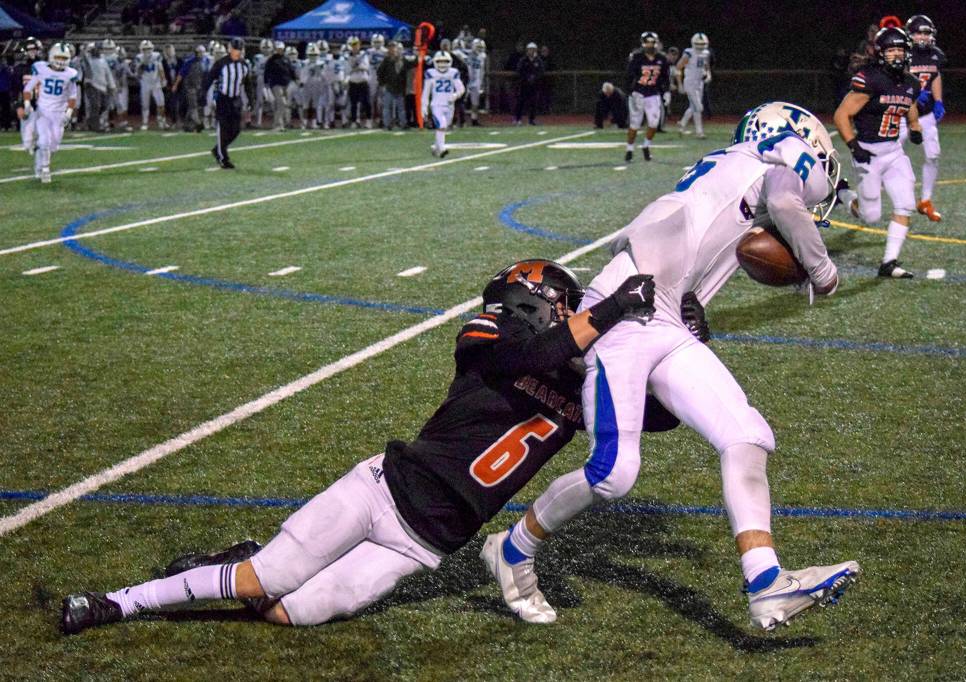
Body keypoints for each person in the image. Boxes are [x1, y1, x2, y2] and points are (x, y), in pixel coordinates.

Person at [60, 260, 664, 634]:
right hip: (385, 491)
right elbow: (526, 356)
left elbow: (649, 418)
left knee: (287, 613)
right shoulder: (491, 336)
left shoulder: (575, 380)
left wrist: (676, 346)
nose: (571, 317)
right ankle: (116, 603)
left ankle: (230, 561)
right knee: (263, 578)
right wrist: (612, 310)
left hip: (429, 542)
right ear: (531, 301)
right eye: (563, 307)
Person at [483, 101, 862, 631]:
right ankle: (513, 549)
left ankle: (765, 581)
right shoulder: (776, 161)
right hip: (626, 310)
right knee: (614, 474)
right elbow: (786, 200)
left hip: (663, 316)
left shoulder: (736, 163)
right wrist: (822, 272)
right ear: (798, 137)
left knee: (746, 434)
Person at [834, 27, 923, 279]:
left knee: (905, 205)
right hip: (869, 152)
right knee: (870, 215)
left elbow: (909, 104)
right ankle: (843, 193)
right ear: (881, 53)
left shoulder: (910, 83)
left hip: (894, 152)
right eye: (891, 50)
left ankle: (889, 263)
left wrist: (915, 127)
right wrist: (854, 146)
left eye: (900, 50)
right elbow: (842, 115)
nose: (896, 55)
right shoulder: (870, 79)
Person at [899, 15, 946, 222]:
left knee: (933, 155)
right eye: (919, 32)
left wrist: (938, 100)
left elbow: (935, 76)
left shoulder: (936, 55)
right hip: (901, 114)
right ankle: (893, 197)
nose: (923, 37)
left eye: (926, 33)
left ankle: (925, 200)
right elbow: (896, 80)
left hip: (925, 114)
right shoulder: (902, 54)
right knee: (891, 154)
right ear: (909, 35)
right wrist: (914, 94)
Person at [21, 42, 78, 184]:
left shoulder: (70, 74)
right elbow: (28, 89)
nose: (61, 61)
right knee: (44, 141)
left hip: (59, 113)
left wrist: (69, 113)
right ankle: (44, 169)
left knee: (54, 144)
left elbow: (73, 96)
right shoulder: (42, 69)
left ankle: (40, 163)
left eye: (64, 58)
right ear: (52, 56)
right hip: (43, 111)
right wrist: (27, 104)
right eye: (58, 57)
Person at [204, 37, 250, 169]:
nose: (237, 52)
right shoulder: (221, 63)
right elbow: (209, 78)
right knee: (223, 128)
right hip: (222, 98)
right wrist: (204, 95)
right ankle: (223, 158)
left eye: (239, 50)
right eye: (235, 49)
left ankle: (218, 149)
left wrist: (250, 100)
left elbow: (248, 84)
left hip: (235, 99)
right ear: (230, 49)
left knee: (236, 129)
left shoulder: (244, 65)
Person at [624, 31, 670, 162]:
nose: (650, 45)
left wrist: (666, 91)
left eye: (652, 42)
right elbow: (629, 76)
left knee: (654, 123)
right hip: (638, 93)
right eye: (648, 42)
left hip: (653, 94)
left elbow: (665, 77)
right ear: (643, 43)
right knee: (635, 124)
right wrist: (630, 92)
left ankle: (646, 146)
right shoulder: (637, 57)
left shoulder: (662, 58)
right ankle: (629, 149)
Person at [422, 50, 464, 158]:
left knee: (444, 126)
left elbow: (461, 88)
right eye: (440, 61)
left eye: (445, 61)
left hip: (450, 105)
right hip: (436, 104)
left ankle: (436, 148)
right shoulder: (431, 73)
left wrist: (455, 95)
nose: (442, 64)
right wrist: (424, 106)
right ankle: (442, 149)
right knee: (442, 124)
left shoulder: (453, 72)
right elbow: (426, 91)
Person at [676, 33, 711, 138]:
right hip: (690, 82)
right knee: (698, 107)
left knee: (693, 107)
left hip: (699, 83)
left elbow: (706, 65)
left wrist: (708, 74)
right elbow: (678, 67)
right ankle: (696, 130)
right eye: (698, 44)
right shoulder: (689, 53)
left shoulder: (706, 53)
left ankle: (685, 125)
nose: (700, 46)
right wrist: (680, 84)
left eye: (702, 44)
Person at [134, 40, 167, 130]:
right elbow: (138, 74)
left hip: (156, 82)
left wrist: (163, 79)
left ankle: (161, 120)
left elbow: (160, 68)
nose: (147, 51)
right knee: (145, 104)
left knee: (161, 102)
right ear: (141, 49)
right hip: (145, 83)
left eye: (148, 48)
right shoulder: (139, 58)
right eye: (145, 49)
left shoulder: (157, 56)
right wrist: (142, 64)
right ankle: (145, 122)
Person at [377, 40, 410, 130]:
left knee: (401, 108)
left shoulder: (403, 59)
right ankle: (387, 124)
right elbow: (380, 72)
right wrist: (382, 83)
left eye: (394, 47)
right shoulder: (386, 60)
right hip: (389, 86)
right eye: (390, 47)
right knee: (387, 107)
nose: (392, 49)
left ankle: (403, 123)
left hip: (400, 87)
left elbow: (412, 65)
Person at [264, 41, 293, 131]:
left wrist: (295, 78)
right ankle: (276, 124)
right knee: (282, 104)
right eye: (277, 49)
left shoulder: (286, 59)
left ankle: (281, 124)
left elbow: (291, 70)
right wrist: (266, 84)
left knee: (283, 105)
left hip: (286, 84)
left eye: (280, 49)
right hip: (276, 84)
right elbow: (266, 72)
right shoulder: (271, 60)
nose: (279, 50)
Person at [514, 42, 543, 125]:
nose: (532, 51)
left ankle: (532, 119)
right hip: (524, 84)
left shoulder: (538, 60)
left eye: (533, 50)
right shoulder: (523, 60)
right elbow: (519, 70)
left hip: (534, 85)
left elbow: (541, 71)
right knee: (521, 102)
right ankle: (518, 119)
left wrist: (535, 77)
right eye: (530, 49)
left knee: (533, 103)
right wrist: (527, 77)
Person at [346, 37, 371, 128]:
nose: (355, 47)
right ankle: (354, 121)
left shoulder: (364, 55)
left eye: (356, 44)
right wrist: (356, 66)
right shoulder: (348, 56)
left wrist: (355, 67)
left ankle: (368, 121)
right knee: (353, 103)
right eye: (353, 45)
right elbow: (348, 69)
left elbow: (365, 67)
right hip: (353, 82)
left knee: (366, 102)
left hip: (363, 81)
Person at [465, 38, 487, 125]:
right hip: (467, 79)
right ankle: (458, 119)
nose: (480, 48)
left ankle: (474, 119)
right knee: (462, 101)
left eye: (481, 47)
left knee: (475, 102)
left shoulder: (482, 56)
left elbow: (482, 71)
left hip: (477, 80)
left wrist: (481, 82)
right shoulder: (467, 54)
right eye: (478, 46)